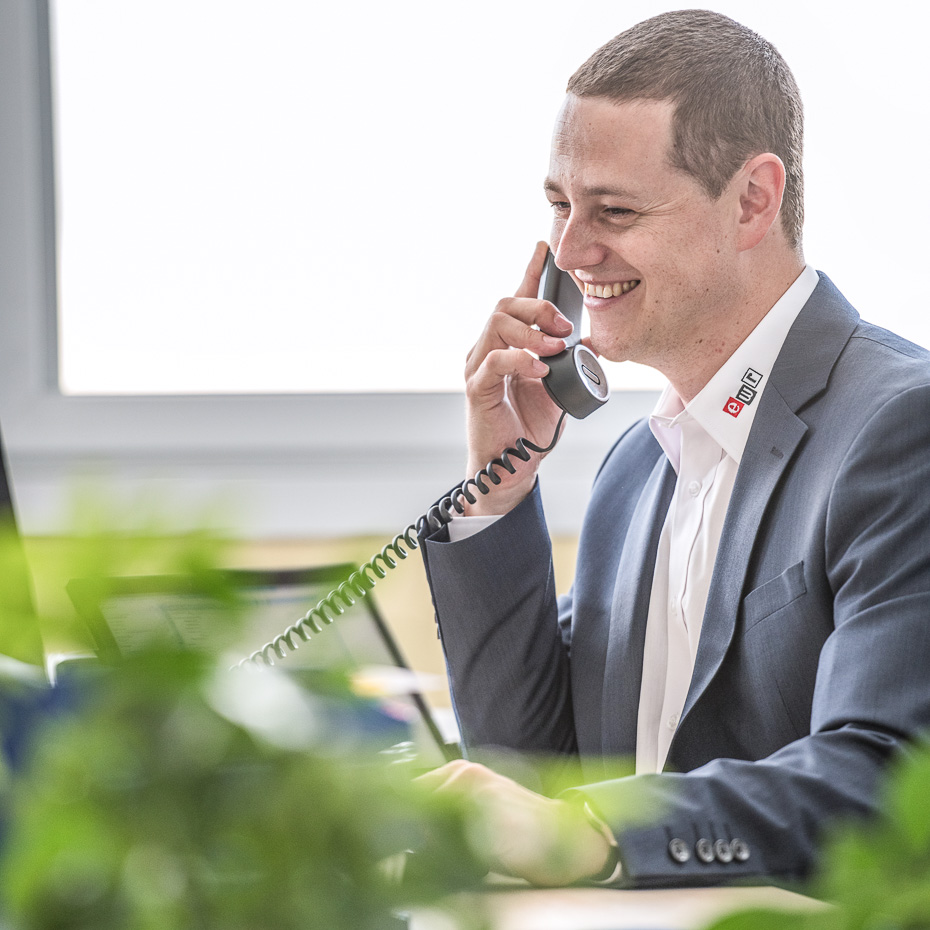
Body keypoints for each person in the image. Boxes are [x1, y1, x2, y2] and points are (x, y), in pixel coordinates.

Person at [415, 9, 930, 888]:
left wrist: (604, 831)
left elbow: (887, 776)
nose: (571, 252)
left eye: (613, 210)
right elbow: (535, 778)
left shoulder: (899, 429)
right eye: (558, 205)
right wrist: (497, 489)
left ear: (753, 201)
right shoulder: (637, 468)